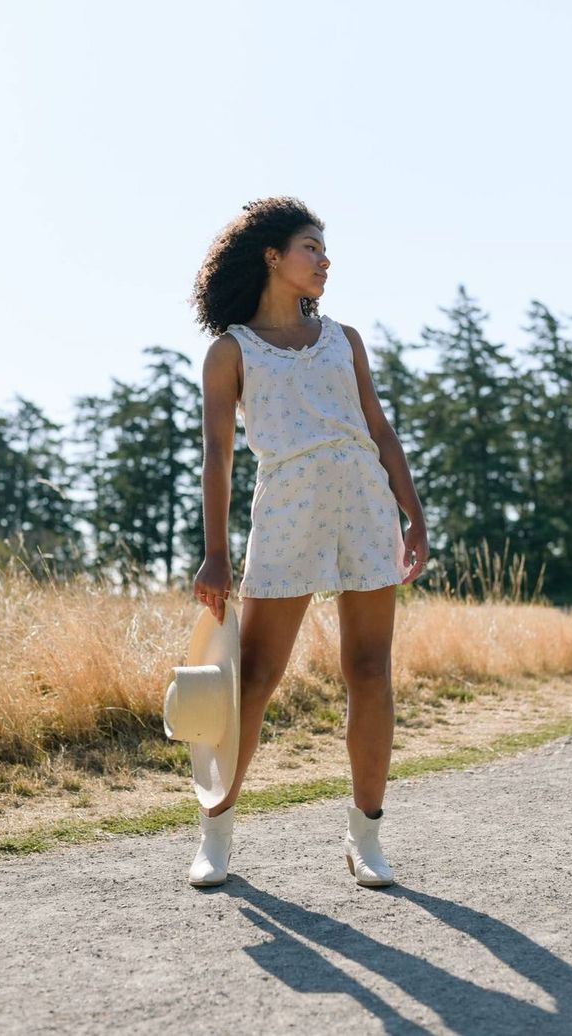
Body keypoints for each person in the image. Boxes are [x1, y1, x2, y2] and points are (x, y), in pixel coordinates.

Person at [188, 196, 429, 887]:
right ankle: (216, 834)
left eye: (324, 250)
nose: (325, 261)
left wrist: (412, 515)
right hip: (288, 506)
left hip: (363, 502)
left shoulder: (343, 338)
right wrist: (215, 551)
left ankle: (367, 839)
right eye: (311, 248)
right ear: (273, 256)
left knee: (370, 671)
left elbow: (379, 430)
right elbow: (217, 453)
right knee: (254, 680)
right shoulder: (230, 352)